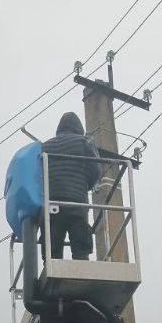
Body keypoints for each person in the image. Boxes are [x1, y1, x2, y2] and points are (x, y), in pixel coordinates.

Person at [41, 111, 103, 260]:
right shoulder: (83, 142)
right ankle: (81, 267)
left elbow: (37, 175)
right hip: (77, 201)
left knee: (52, 249)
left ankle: (51, 268)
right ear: (78, 128)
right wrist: (86, 186)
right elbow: (96, 169)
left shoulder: (44, 146)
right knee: (80, 245)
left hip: (52, 203)